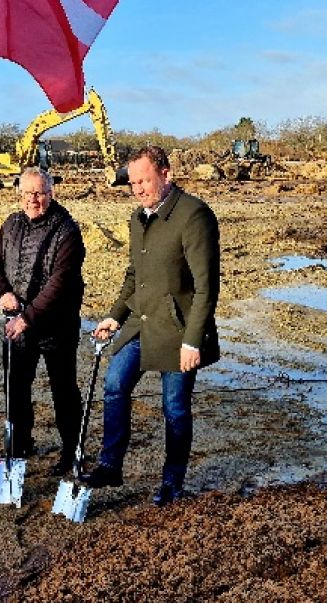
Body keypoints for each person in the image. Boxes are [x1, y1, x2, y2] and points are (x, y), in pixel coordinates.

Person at [81, 145, 220, 506]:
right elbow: (135, 276)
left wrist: (194, 341)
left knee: (174, 408)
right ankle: (110, 465)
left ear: (166, 174)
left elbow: (207, 286)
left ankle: (172, 482)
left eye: (145, 180)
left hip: (177, 331)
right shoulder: (137, 218)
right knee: (114, 385)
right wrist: (115, 315)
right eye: (133, 183)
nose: (139, 188)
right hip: (141, 323)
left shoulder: (194, 216)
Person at [0, 166, 86, 476]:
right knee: (15, 389)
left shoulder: (67, 230)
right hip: (18, 326)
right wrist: (1, 293)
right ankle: (20, 444)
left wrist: (27, 318)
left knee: (64, 391)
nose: (34, 199)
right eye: (28, 193)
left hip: (57, 326)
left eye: (40, 193)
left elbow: (60, 283)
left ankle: (73, 450)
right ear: (19, 194)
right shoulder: (11, 224)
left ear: (51, 193)